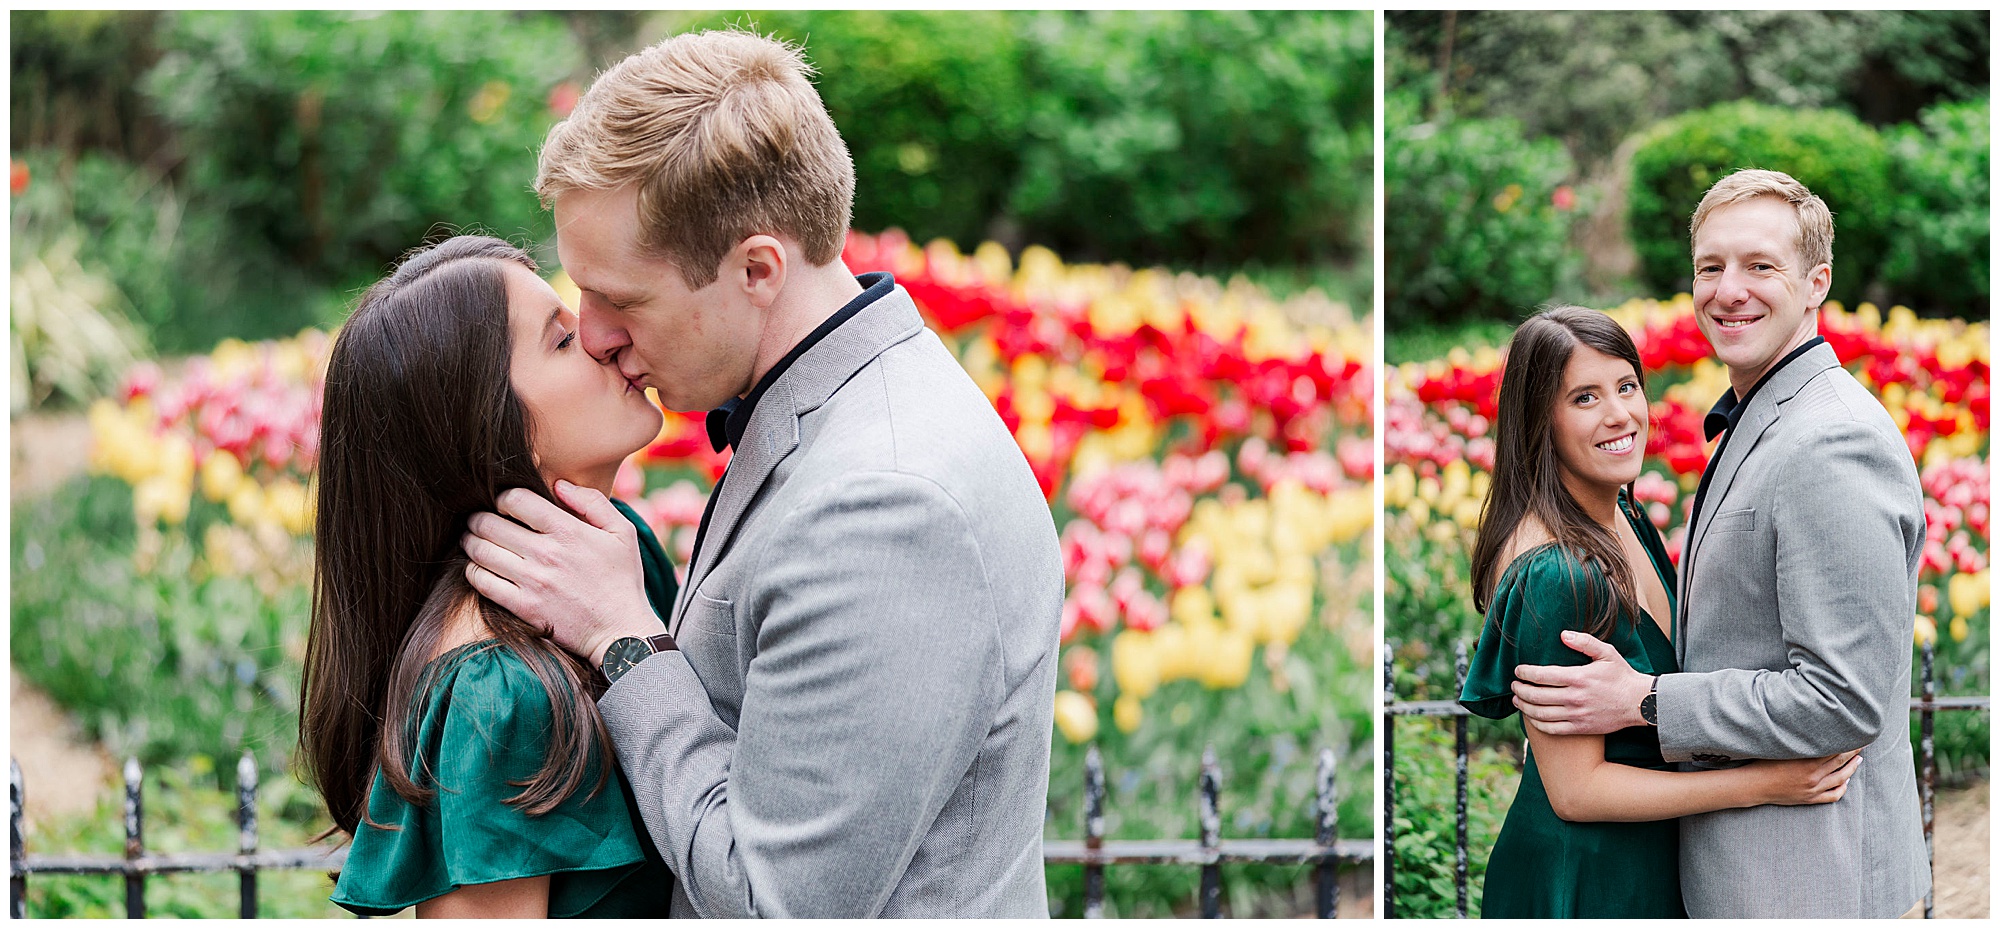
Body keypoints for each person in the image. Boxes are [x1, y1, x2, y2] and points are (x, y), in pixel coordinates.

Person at [459, 30, 1065, 917]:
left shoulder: (886, 504)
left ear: (756, 269)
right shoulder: (846, 401)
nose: (593, 335)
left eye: (622, 300)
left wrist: (626, 638)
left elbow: (772, 904)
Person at [1510, 171, 1931, 918]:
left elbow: (1843, 699)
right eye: (1711, 266)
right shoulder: (1766, 415)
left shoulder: (1827, 441)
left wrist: (1643, 699)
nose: (1728, 289)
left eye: (1760, 265)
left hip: (1804, 881)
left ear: (1816, 283)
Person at [299, 236, 678, 917]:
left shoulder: (624, 556)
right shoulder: (495, 690)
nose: (602, 335)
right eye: (561, 341)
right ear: (492, 425)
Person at [1458, 306, 1862, 919]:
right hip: (1587, 876)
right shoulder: (1556, 575)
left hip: (1648, 854)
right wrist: (1766, 783)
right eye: (1585, 398)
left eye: (1626, 386)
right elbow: (1576, 791)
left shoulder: (1622, 513)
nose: (1620, 414)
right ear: (1540, 420)